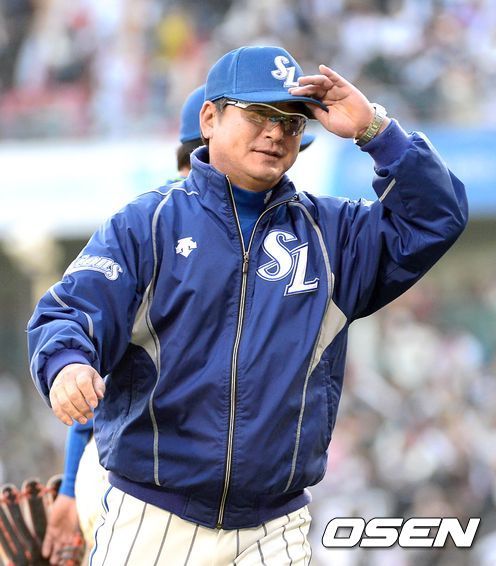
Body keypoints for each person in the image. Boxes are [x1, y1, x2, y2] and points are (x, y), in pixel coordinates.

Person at [28, 45, 467, 564]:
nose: (276, 132)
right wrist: (67, 364)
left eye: (292, 120)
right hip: (154, 516)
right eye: (259, 114)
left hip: (275, 527)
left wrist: (376, 130)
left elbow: (436, 218)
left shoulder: (333, 234)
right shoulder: (147, 224)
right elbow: (68, 312)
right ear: (209, 119)